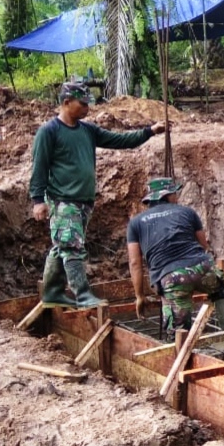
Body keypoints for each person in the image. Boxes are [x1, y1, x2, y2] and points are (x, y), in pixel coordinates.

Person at [30, 82, 166, 309]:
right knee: (72, 247)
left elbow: (118, 141)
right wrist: (37, 200)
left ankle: (52, 292)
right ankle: (83, 296)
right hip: (62, 200)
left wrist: (149, 132)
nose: (87, 108)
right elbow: (39, 168)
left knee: (63, 245)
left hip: (83, 201)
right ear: (66, 103)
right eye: (82, 104)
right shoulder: (49, 132)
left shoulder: (87, 130)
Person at [126, 178, 224, 338]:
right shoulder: (187, 212)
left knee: (178, 334)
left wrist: (139, 296)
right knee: (221, 292)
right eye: (174, 193)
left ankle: (181, 354)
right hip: (203, 268)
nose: (177, 196)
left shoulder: (135, 223)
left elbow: (135, 262)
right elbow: (204, 246)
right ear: (168, 195)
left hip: (172, 278)